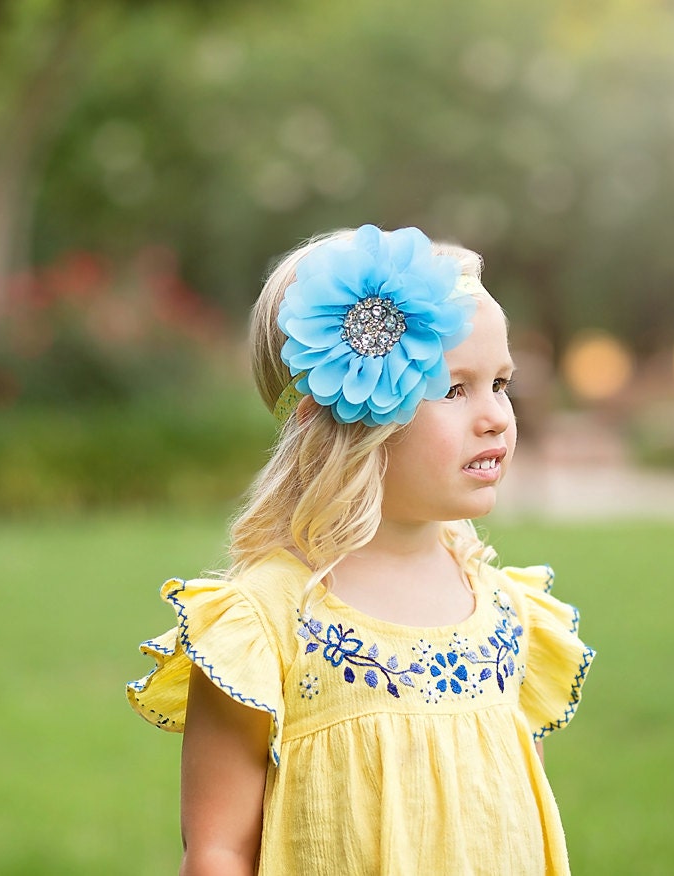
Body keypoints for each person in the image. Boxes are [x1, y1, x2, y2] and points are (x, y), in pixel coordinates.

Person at [126, 224, 594, 875]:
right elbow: (217, 849)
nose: (495, 416)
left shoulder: (504, 610)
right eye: (455, 390)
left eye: (501, 383)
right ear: (344, 420)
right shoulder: (265, 626)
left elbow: (516, 817)